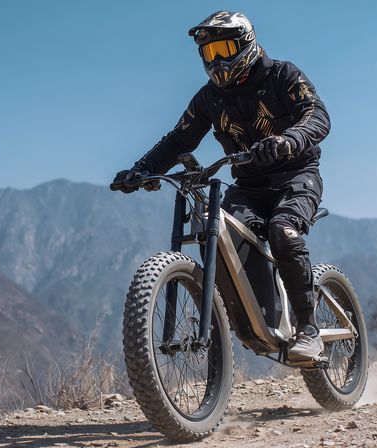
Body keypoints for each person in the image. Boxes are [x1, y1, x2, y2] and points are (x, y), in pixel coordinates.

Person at [111, 11, 330, 361]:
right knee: (221, 235)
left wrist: (290, 140)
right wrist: (142, 170)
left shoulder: (283, 75)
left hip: (297, 174)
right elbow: (179, 139)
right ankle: (243, 317)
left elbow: (317, 115)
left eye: (224, 48)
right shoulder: (208, 98)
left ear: (246, 43)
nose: (217, 60)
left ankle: (308, 328)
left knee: (283, 230)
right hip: (248, 186)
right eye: (209, 53)